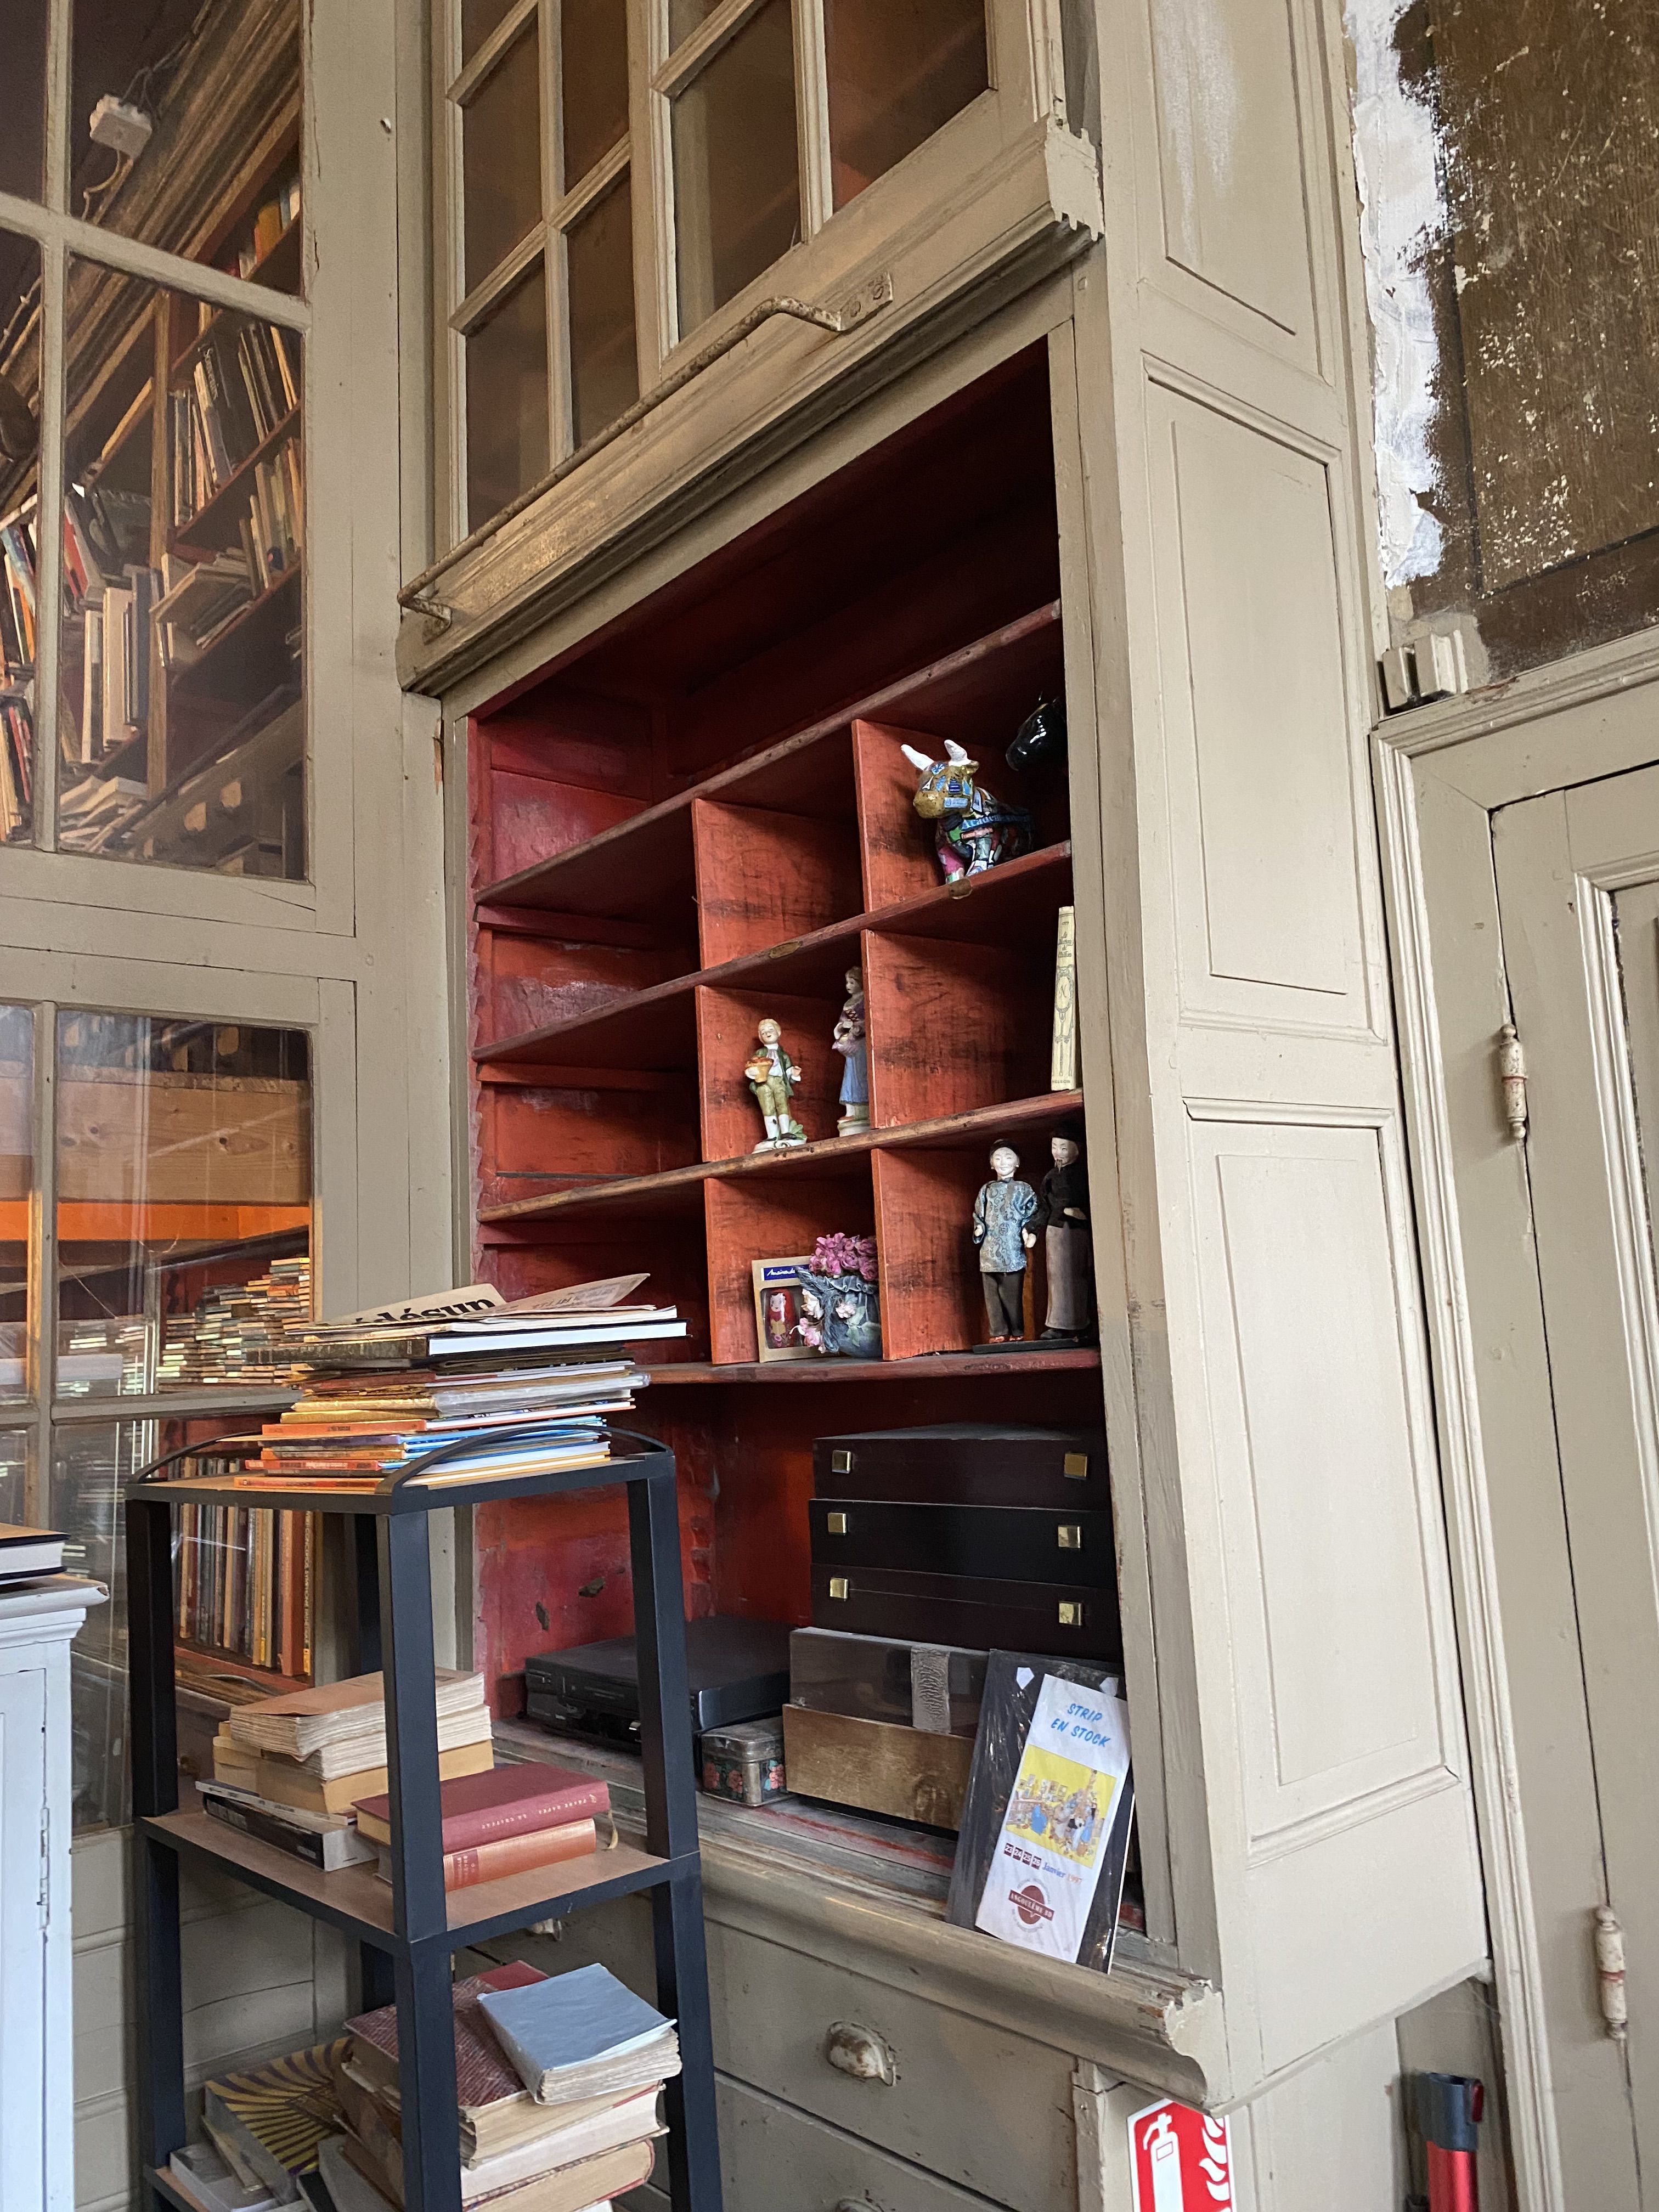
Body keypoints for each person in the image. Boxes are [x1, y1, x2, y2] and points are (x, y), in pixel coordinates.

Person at [1029, 1125, 1093, 1341]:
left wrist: (1083, 1213)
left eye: (1064, 1148)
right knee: (1056, 1278)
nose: (1058, 1153)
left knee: (1079, 1276)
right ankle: (1057, 1324)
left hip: (1078, 1231)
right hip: (1055, 1230)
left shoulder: (1084, 1175)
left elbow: (1096, 1201)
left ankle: (1083, 1322)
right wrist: (1033, 1229)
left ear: (1077, 1149)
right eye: (1055, 1147)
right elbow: (1043, 1207)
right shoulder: (1050, 1177)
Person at [971, 1142, 1039, 1342]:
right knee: (992, 1296)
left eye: (1009, 1158)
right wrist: (979, 1227)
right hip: (989, 1250)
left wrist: (1029, 1231)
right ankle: (998, 1331)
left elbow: (1032, 1213)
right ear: (992, 1163)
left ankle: (1017, 1331)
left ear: (1017, 1162)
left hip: (1012, 1250)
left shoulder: (1023, 1189)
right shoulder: (986, 1189)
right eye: (998, 1158)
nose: (1003, 1162)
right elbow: (979, 1213)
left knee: (1012, 1295)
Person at [744, 1016, 806, 1148]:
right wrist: (752, 1072)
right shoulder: (760, 1053)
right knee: (767, 1107)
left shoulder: (783, 1055)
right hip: (764, 1083)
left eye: (770, 1030)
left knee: (782, 1104)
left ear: (778, 1032)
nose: (767, 1033)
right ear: (761, 1037)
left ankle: (785, 1132)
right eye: (763, 1032)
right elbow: (751, 1066)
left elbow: (787, 1070)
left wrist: (794, 1074)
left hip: (779, 1082)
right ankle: (772, 1135)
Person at [831, 966, 869, 1135]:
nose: (848, 986)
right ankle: (851, 1110)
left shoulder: (865, 999)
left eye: (852, 982)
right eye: (847, 982)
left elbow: (870, 1019)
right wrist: (843, 1027)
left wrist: (859, 1027)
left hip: (861, 1044)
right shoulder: (848, 1003)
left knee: (860, 1074)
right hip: (852, 1043)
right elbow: (842, 1021)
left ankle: (862, 1109)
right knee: (850, 1074)